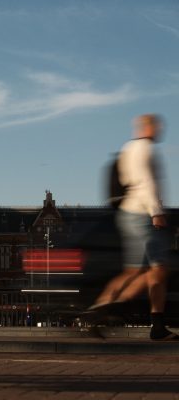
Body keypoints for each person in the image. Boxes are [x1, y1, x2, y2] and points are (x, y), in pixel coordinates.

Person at [86, 114, 176, 341]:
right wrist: (156, 212)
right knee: (159, 270)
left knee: (135, 270)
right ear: (147, 127)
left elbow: (127, 180)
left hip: (128, 213)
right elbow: (146, 182)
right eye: (157, 126)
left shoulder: (128, 149)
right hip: (142, 214)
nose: (160, 129)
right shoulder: (145, 149)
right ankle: (156, 326)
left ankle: (101, 308)